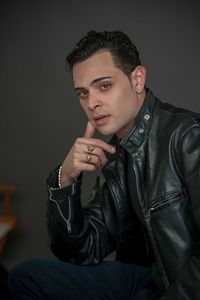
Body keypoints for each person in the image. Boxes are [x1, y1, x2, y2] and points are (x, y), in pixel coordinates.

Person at [8, 30, 200, 299]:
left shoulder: (187, 135)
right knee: (25, 277)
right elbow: (83, 249)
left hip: (184, 285)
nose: (92, 102)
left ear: (137, 79)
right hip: (147, 279)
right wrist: (66, 179)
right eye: (82, 93)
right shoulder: (115, 155)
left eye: (104, 86)